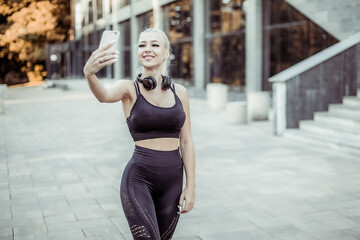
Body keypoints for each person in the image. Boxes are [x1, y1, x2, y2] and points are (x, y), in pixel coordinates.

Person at [83, 28, 196, 239]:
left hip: (173, 182)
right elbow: (104, 95)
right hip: (138, 180)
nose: (147, 49)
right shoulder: (128, 89)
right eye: (142, 45)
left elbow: (187, 141)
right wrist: (90, 74)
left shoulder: (180, 92)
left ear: (166, 52)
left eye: (154, 44)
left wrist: (190, 187)